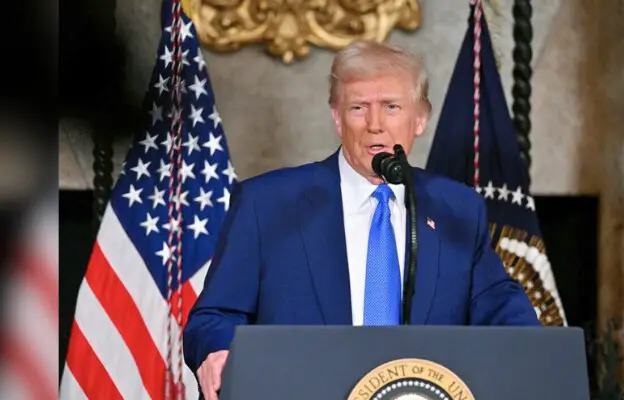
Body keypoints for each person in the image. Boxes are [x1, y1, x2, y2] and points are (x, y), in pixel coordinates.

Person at [183, 40, 541, 399]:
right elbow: (213, 317)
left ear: (420, 119)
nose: (375, 125)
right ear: (337, 118)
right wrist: (217, 352)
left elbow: (499, 305)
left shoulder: (457, 208)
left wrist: (535, 350)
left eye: (391, 107)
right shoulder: (268, 203)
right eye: (358, 108)